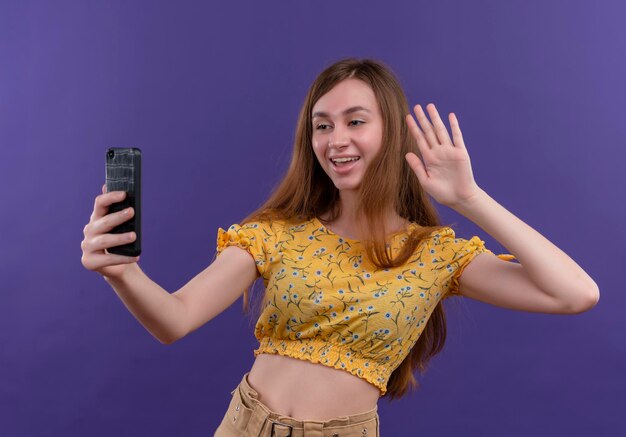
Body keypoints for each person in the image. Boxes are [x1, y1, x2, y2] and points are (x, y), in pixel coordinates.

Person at [81, 58, 600, 436]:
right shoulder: (276, 233)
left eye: (355, 121)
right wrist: (121, 273)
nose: (336, 140)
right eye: (322, 126)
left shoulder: (436, 255)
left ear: (392, 133)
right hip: (246, 424)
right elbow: (174, 319)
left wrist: (469, 198)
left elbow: (575, 294)